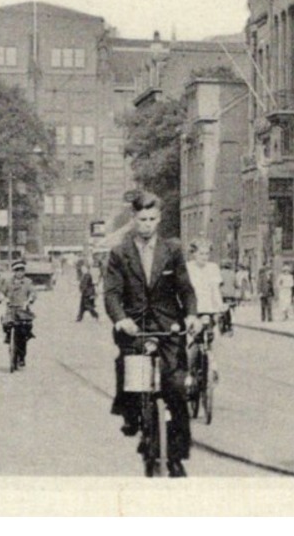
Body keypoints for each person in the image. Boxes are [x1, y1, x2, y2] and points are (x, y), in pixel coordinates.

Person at [105, 191, 198, 477]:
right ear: (134, 219)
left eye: (152, 219)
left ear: (159, 220)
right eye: (142, 219)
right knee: (133, 378)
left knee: (176, 389)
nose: (147, 224)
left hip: (168, 326)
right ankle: (132, 415)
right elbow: (111, 293)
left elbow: (185, 288)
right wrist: (121, 319)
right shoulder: (120, 253)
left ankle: (177, 456)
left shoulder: (172, 250)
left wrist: (192, 315)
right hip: (135, 327)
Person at [0, 259, 37, 368]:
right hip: (11, 310)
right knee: (5, 323)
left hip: (23, 310)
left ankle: (22, 357)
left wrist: (29, 300)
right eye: (17, 270)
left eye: (21, 270)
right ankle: (8, 337)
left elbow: (33, 293)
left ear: (24, 271)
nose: (19, 273)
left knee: (23, 332)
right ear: (14, 272)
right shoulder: (8, 282)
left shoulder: (28, 282)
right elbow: (2, 292)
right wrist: (1, 297)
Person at [185, 243, 226, 331]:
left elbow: (215, 289)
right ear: (194, 254)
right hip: (193, 309)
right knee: (193, 335)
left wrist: (220, 306)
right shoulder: (188, 267)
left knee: (209, 335)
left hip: (209, 308)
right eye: (201, 253)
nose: (204, 257)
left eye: (207, 254)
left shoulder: (213, 267)